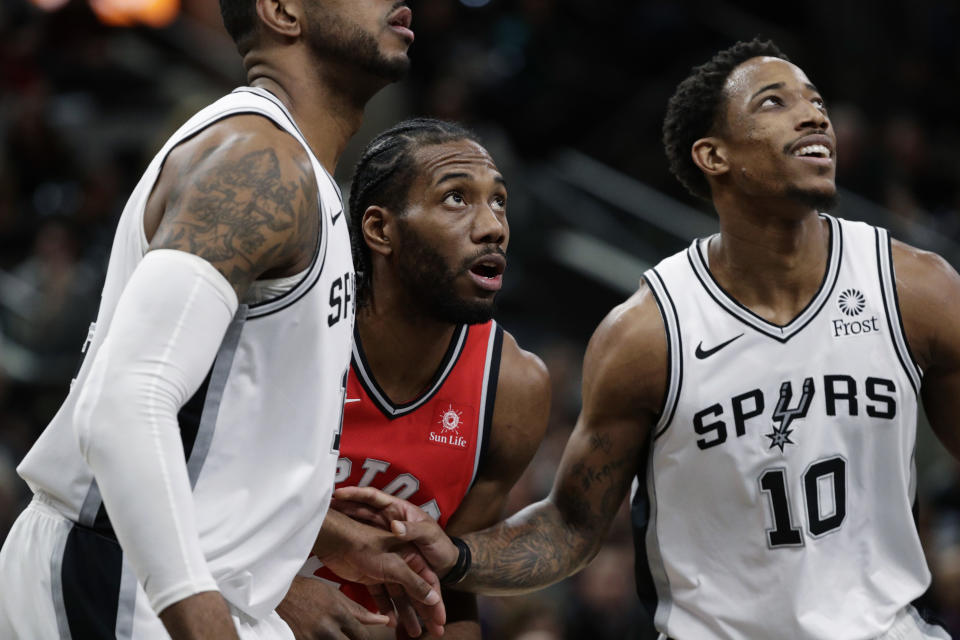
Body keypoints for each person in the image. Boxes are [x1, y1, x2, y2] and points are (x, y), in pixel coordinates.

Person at [337, 38, 960, 639]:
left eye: (815, 101)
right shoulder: (648, 332)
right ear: (713, 156)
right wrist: (460, 557)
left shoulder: (917, 289)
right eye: (775, 102)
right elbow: (572, 527)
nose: (812, 117)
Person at [0, 1, 446, 639]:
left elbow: (214, 429)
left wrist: (302, 534)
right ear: (283, 11)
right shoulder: (257, 163)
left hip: (176, 579)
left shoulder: (297, 173)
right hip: (126, 583)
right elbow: (126, 404)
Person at [276, 118, 551, 640]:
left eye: (499, 201)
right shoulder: (294, 331)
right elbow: (189, 489)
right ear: (381, 230)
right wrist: (273, 595)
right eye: (456, 199)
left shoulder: (514, 386)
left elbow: (454, 586)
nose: (492, 225)